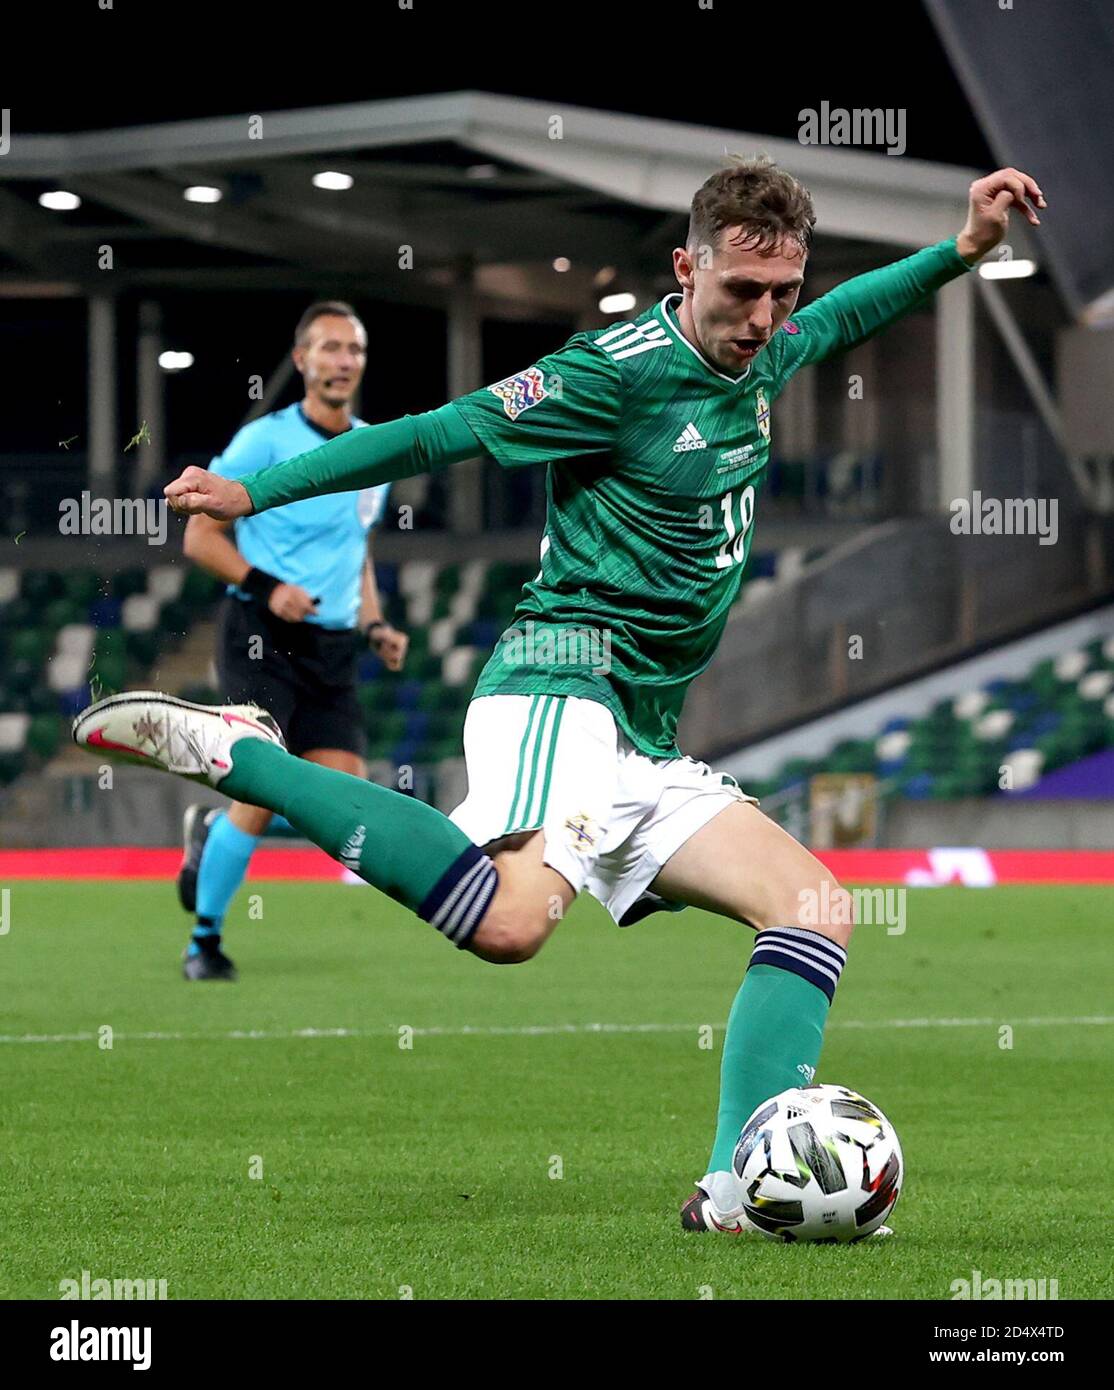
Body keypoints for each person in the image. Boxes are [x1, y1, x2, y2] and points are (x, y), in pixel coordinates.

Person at [75, 159, 1043, 1231]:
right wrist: (256, 487)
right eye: (742, 293)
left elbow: (851, 313)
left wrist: (961, 250)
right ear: (685, 268)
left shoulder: (763, 351)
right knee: (508, 926)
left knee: (812, 905)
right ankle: (242, 756)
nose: (766, 318)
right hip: (559, 674)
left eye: (784, 293)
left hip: (641, 726)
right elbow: (439, 432)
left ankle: (730, 1192)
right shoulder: (606, 373)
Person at [175, 301, 407, 980]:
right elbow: (199, 534)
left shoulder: (372, 447)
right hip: (261, 634)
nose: (342, 361)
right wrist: (266, 583)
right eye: (328, 348)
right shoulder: (262, 443)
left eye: (353, 350)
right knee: (264, 785)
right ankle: (205, 943)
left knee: (342, 800)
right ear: (302, 360)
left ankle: (209, 837)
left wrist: (374, 624)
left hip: (332, 645)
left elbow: (356, 550)